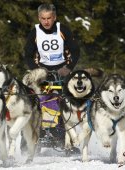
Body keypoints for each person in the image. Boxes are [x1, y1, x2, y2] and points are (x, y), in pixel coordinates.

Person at [22, 3, 80, 154]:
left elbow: (75, 50)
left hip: (62, 71)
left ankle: (67, 139)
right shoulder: (34, 32)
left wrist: (68, 68)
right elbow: (28, 54)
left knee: (65, 102)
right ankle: (33, 136)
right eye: (43, 18)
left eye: (49, 18)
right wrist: (37, 71)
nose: (46, 22)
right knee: (41, 100)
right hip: (43, 73)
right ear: (39, 18)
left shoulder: (63, 29)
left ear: (54, 17)